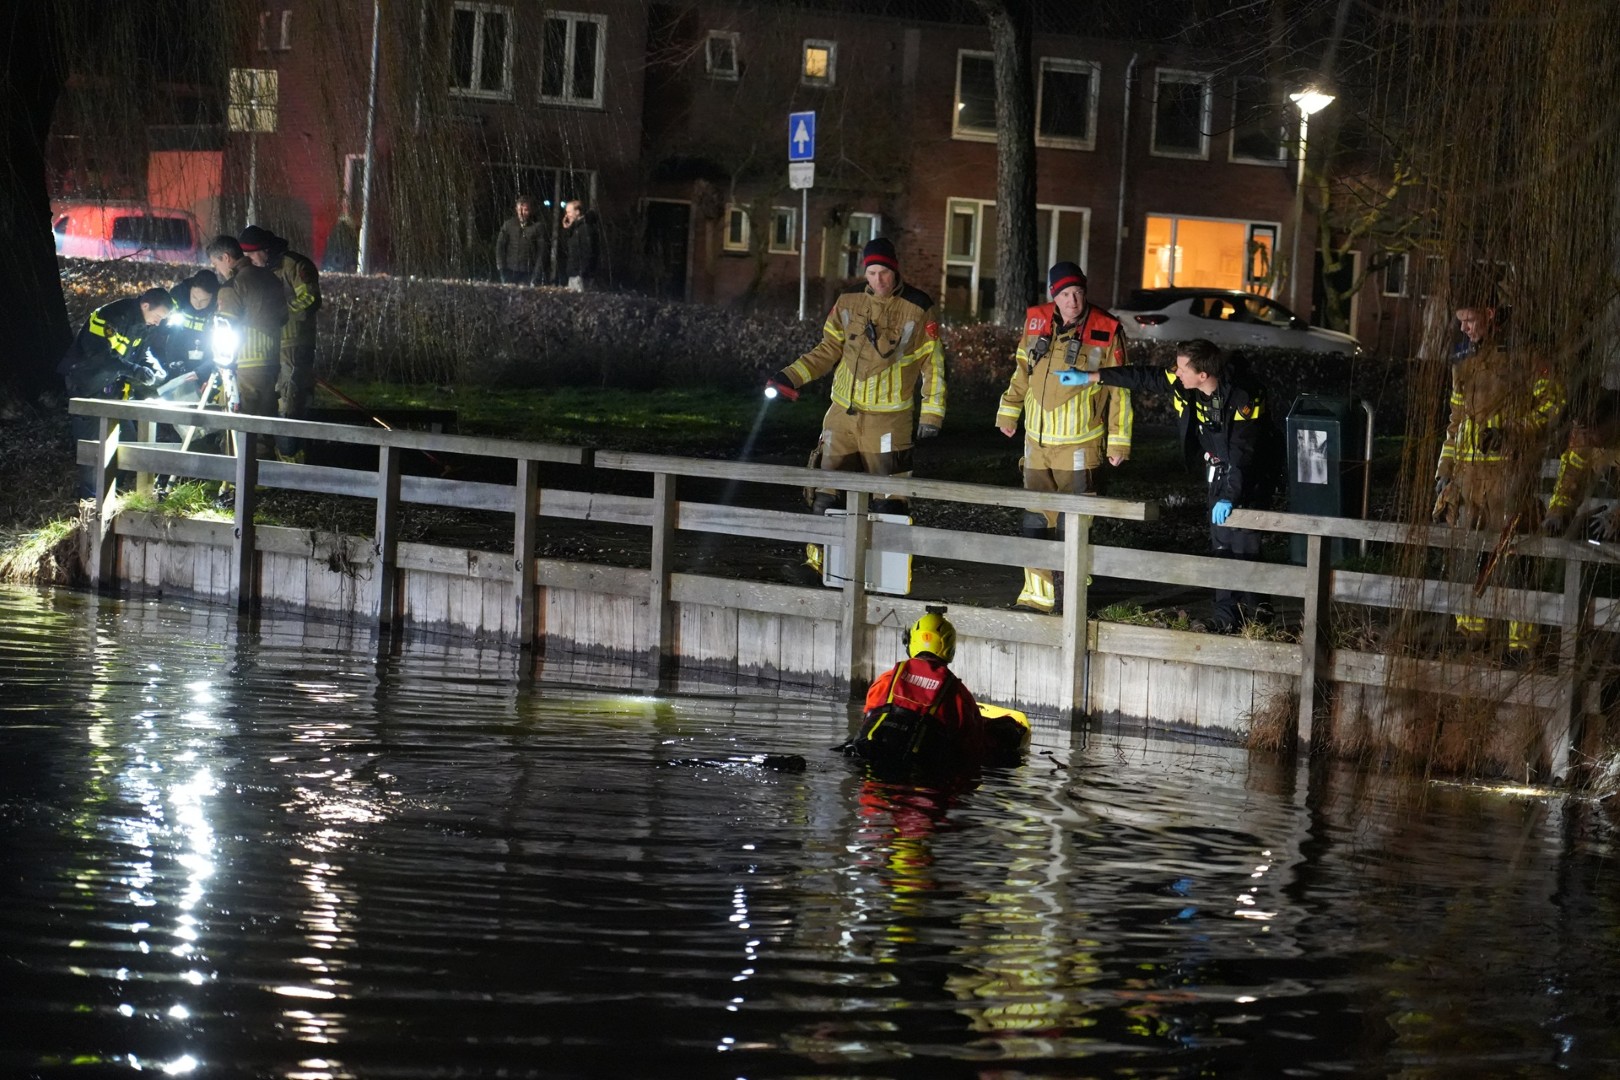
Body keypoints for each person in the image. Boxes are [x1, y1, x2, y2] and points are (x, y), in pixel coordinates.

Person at [766, 237, 946, 577]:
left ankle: (886, 573)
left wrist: (933, 413)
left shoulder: (919, 307)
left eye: (884, 272)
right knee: (824, 492)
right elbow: (826, 349)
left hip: (890, 420)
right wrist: (789, 376)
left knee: (889, 499)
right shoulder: (848, 300)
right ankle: (816, 564)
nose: (878, 280)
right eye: (872, 272)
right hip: (842, 413)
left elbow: (932, 365)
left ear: (896, 270)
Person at [1069, 339, 1277, 632]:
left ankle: (1258, 616)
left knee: (1244, 544)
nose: (1176, 373)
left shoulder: (1244, 397)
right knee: (1221, 544)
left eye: (1181, 368)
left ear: (1202, 375)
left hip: (1251, 477)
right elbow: (1144, 376)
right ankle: (1226, 617)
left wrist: (1230, 496)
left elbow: (1244, 455)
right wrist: (1093, 376)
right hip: (1219, 470)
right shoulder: (1186, 383)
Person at [995, 261, 1131, 612]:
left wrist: (1119, 441)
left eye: (1078, 293)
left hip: (1080, 445)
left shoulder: (1106, 329)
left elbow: (1122, 391)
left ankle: (1071, 598)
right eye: (1065, 294)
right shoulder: (1037, 322)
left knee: (1075, 526)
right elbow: (1022, 371)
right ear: (1053, 295)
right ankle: (1038, 597)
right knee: (1035, 521)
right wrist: (1008, 410)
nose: (1073, 301)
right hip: (1037, 444)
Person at [1432, 299, 1564, 660]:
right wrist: (1444, 472)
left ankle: (1521, 645)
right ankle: (1470, 634)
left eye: (1469, 320)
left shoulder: (1526, 361)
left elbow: (1554, 405)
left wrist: (1512, 432)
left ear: (1490, 314)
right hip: (1468, 483)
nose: (1464, 329)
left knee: (1513, 561)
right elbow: (1455, 424)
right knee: (1465, 561)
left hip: (1508, 478)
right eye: (1460, 322)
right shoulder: (1464, 366)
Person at [57, 287, 175, 498]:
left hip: (114, 393)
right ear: (145, 305)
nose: (158, 322)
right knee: (94, 452)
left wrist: (153, 366)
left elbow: (141, 351)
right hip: (88, 389)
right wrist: (135, 370)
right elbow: (99, 356)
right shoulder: (111, 316)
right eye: (157, 316)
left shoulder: (143, 323)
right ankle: (91, 504)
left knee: (128, 444)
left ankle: (111, 495)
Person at [847, 606, 992, 775]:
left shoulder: (886, 681)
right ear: (950, 648)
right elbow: (972, 748)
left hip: (870, 778)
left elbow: (868, 718)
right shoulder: (958, 694)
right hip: (920, 779)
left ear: (910, 642)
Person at [240, 224, 321, 460]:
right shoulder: (254, 272)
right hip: (265, 347)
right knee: (268, 399)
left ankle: (292, 459)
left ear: (264, 250)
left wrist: (279, 312)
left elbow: (310, 298)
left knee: (291, 400)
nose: (247, 260)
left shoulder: (294, 265)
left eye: (250, 255)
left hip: (293, 343)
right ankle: (270, 458)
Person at [208, 234, 288, 427]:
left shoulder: (233, 285)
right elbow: (284, 317)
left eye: (215, 263)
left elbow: (225, 328)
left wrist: (221, 362)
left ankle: (238, 458)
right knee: (265, 423)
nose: (216, 270)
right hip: (271, 361)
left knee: (238, 428)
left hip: (244, 364)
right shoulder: (271, 278)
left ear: (226, 258)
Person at [1542, 391, 1620, 543]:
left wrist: (1616, 518)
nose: (1585, 439)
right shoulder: (1585, 442)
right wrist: (1557, 513)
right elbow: (1570, 480)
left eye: (1591, 433)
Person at [495, 195, 544, 285]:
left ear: (530, 210)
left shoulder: (537, 227)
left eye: (525, 210)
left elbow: (541, 252)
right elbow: (500, 247)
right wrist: (501, 268)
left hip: (528, 272)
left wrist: (536, 274)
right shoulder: (509, 225)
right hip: (510, 271)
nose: (521, 213)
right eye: (519, 210)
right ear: (516, 210)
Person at [559, 199, 599, 292]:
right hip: (574, 273)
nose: (567, 215)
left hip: (580, 275)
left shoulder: (584, 228)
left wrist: (582, 272)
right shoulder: (575, 228)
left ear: (577, 212)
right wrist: (566, 229)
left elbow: (588, 251)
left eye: (569, 212)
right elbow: (566, 247)